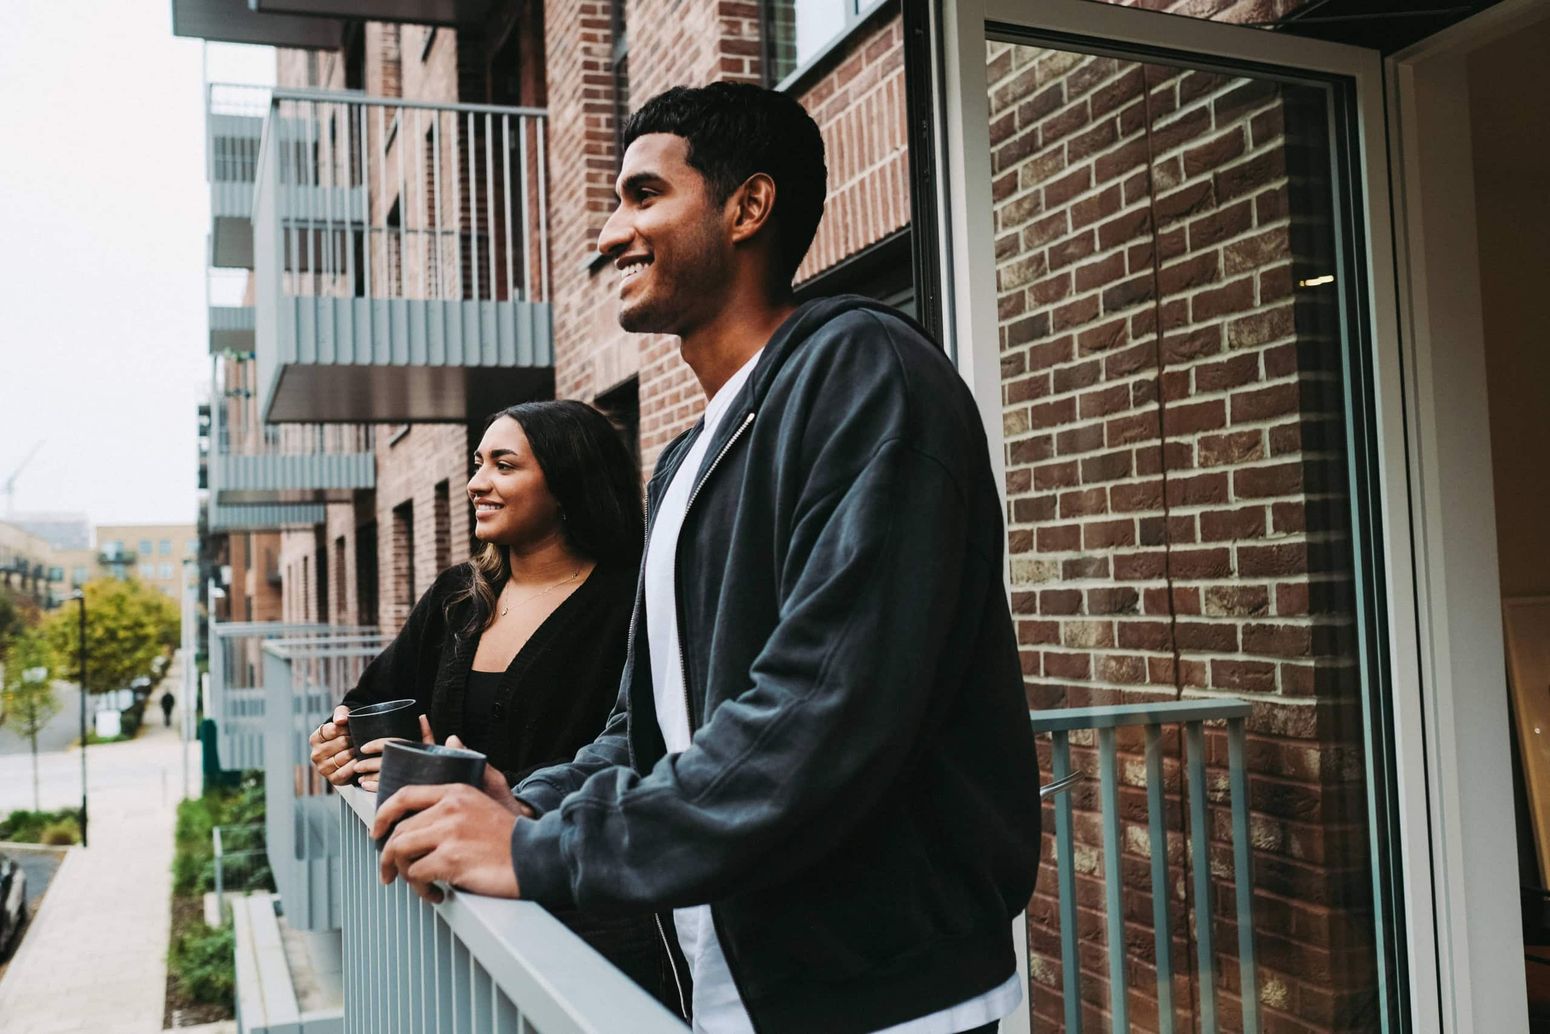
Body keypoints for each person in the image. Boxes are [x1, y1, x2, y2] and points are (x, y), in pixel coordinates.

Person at [373, 82, 1042, 1034]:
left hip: (887, 1001)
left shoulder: (864, 375)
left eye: (644, 196)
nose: (610, 234)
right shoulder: (687, 457)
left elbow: (817, 714)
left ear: (747, 208)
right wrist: (525, 798)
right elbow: (646, 726)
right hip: (723, 985)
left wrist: (539, 855)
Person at [307, 399, 668, 999]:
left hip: (581, 915)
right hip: (455, 907)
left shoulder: (632, 599)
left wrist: (473, 787)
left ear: (565, 482)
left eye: (504, 465)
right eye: (478, 463)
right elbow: (364, 705)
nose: (477, 483)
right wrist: (338, 745)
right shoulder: (458, 597)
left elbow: (637, 750)